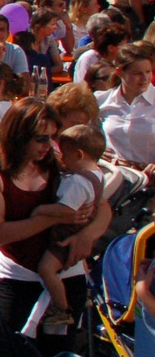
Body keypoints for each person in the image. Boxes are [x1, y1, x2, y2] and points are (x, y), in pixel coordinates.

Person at [0, 99, 110, 354]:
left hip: (68, 275)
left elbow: (103, 207)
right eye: (41, 138)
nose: (48, 145)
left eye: (51, 137)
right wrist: (56, 217)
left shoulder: (56, 163)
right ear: (17, 135)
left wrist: (88, 236)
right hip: (19, 278)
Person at [29, 124, 104, 333]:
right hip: (78, 231)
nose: (62, 160)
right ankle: (84, 296)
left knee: (46, 269)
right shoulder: (96, 174)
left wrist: (40, 210)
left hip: (65, 236)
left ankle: (62, 309)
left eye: (65, 156)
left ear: (79, 155)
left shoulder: (78, 183)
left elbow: (64, 210)